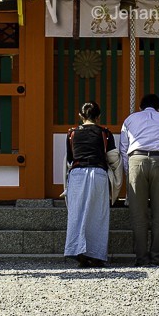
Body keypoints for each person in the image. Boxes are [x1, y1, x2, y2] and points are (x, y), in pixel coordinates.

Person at [119, 93, 159, 266]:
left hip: (135, 160)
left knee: (138, 214)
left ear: (140, 107)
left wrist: (128, 171)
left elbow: (123, 149)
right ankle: (158, 256)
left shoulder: (130, 119)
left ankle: (141, 257)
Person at [62, 102, 117, 267]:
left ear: (80, 116)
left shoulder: (72, 133)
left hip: (78, 173)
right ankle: (97, 255)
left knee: (76, 213)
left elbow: (71, 157)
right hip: (98, 172)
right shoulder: (105, 133)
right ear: (99, 116)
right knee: (98, 214)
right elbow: (111, 156)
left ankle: (78, 250)